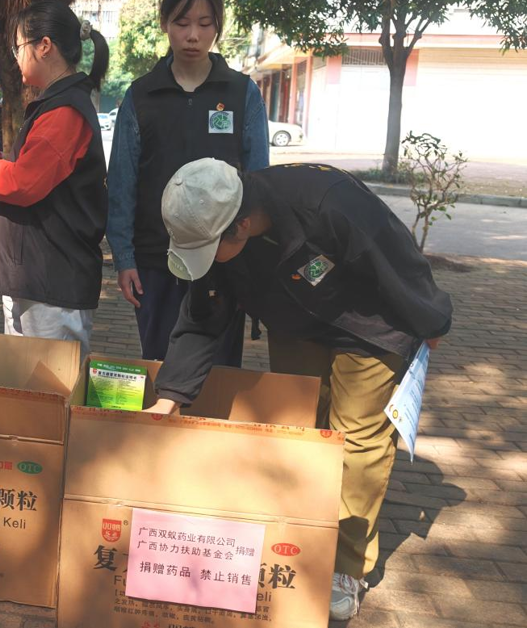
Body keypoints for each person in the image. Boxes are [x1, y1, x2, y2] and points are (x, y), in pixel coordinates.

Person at [147, 158, 453, 621]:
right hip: (295, 322)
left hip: (371, 329)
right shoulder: (222, 232)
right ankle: (299, 535)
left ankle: (346, 566)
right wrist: (169, 397)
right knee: (300, 428)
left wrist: (431, 321)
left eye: (208, 248)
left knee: (357, 441)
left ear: (242, 225)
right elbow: (203, 318)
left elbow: (398, 259)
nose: (204, 260)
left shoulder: (328, 203)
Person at [106, 0, 270, 361]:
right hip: (155, 262)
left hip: (223, 259)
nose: (192, 35)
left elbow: (260, 183)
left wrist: (250, 259)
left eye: (204, 23)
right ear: (165, 24)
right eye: (181, 23)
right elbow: (122, 184)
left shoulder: (241, 93)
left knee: (218, 373)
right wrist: (125, 260)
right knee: (161, 365)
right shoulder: (142, 96)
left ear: (218, 27)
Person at [0, 2, 108, 354]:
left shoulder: (65, 111)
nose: (16, 57)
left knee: (49, 387)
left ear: (44, 46)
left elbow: (24, 182)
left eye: (18, 46)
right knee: (29, 388)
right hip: (35, 278)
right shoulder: (55, 105)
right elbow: (35, 188)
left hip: (51, 280)